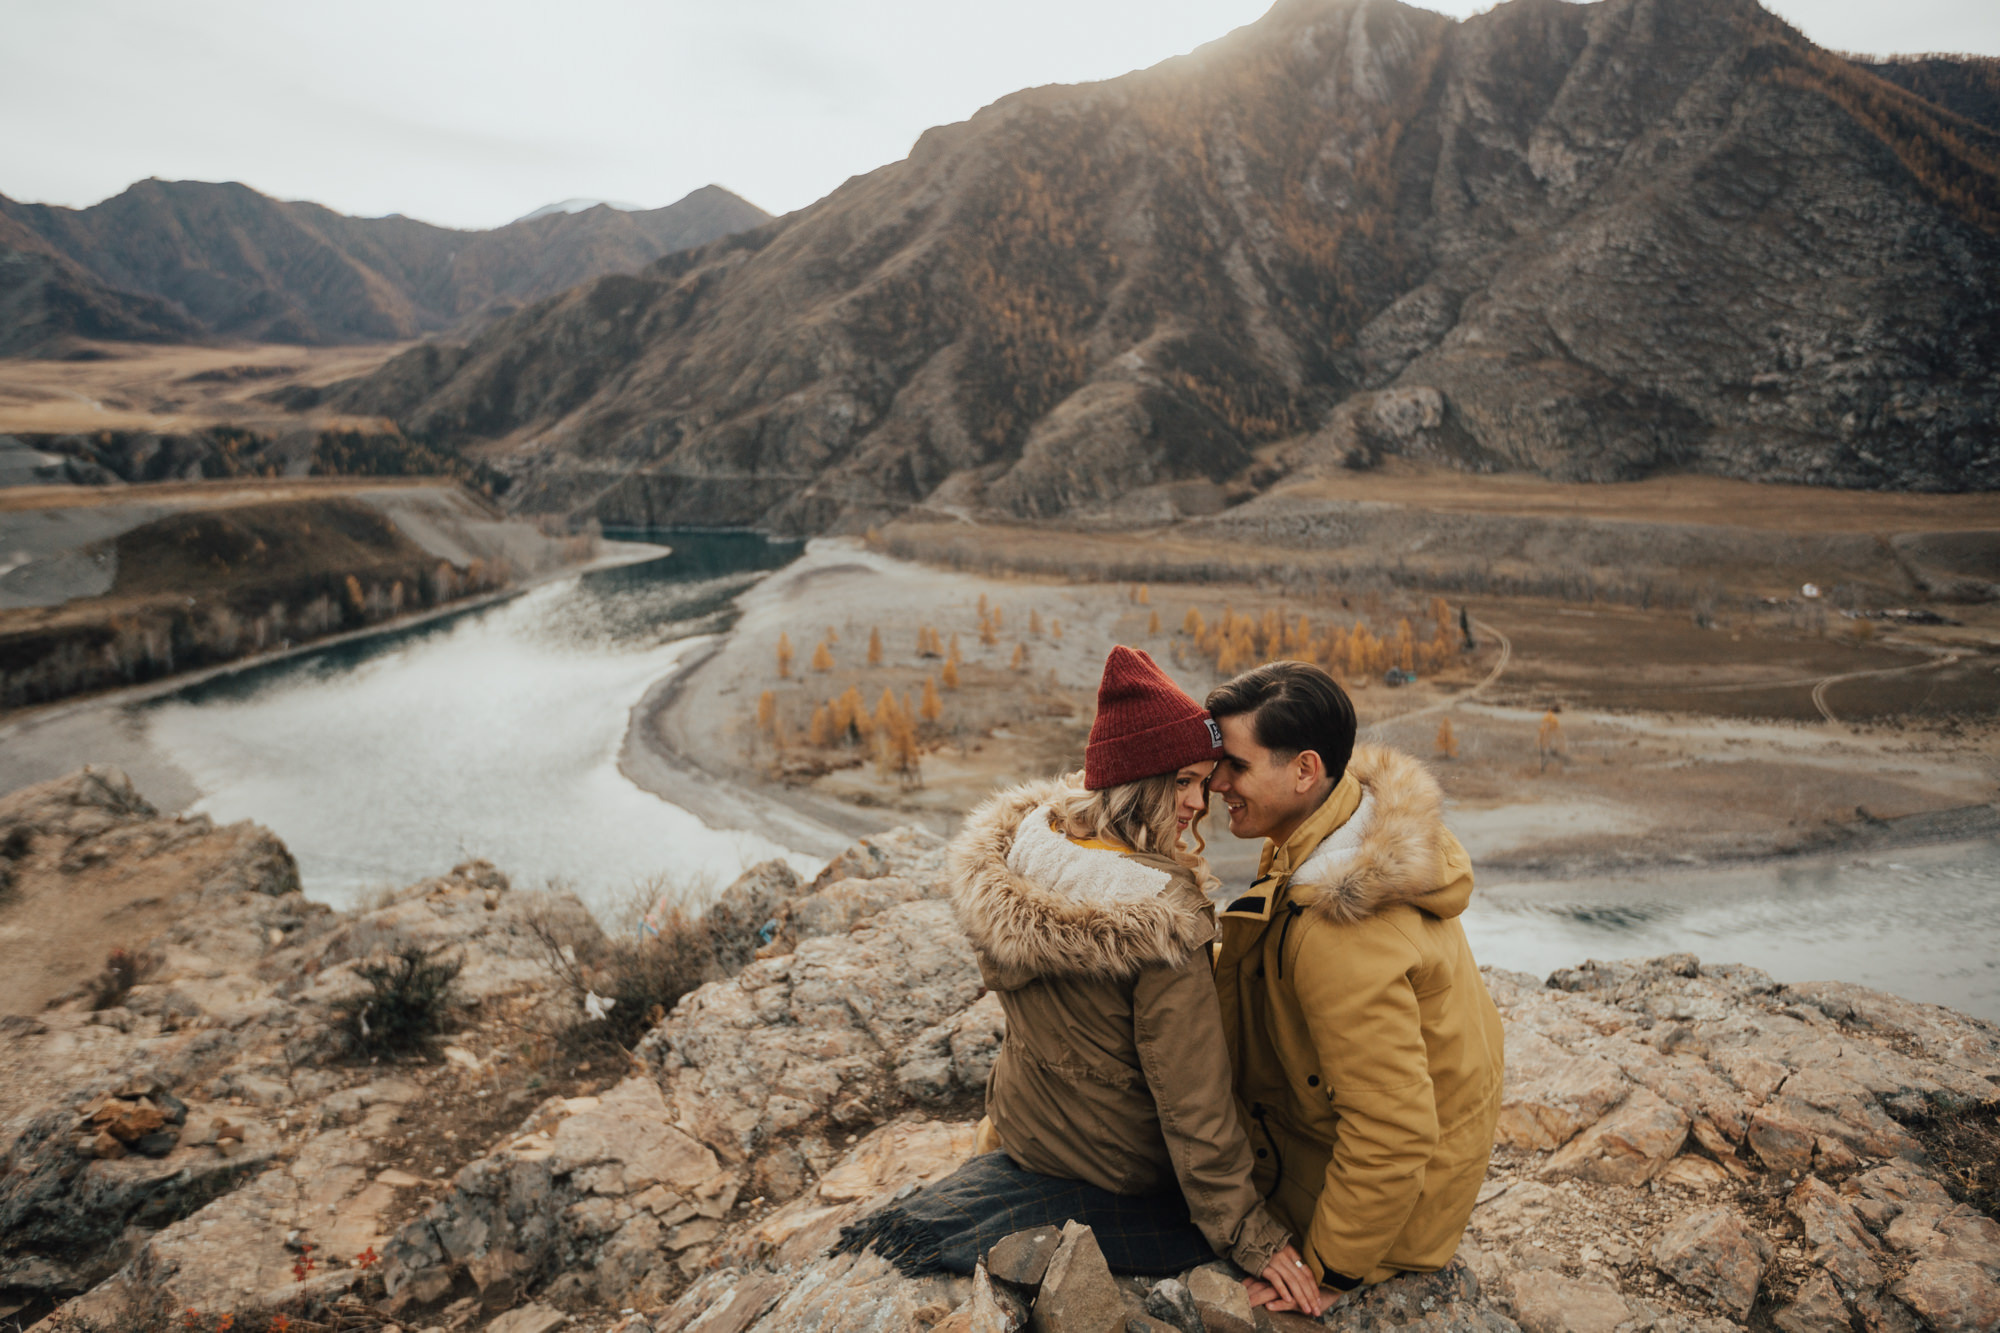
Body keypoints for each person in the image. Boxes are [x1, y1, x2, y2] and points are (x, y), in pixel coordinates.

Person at [836, 646, 1322, 1312]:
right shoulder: (1159, 920)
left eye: (1203, 781)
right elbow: (1193, 1100)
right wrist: (1250, 1232)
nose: (1195, 803)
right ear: (1139, 779)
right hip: (1115, 1165)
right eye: (1181, 781)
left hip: (1028, 1124)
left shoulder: (1035, 847)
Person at [1204, 660, 1504, 1313]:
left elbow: (1392, 1133)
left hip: (1385, 1224)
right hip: (1358, 1157)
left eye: (1236, 765)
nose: (1216, 782)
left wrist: (1329, 1269)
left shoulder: (1341, 930)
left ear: (1306, 770)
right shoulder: (1337, 827)